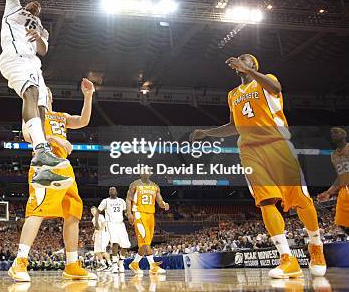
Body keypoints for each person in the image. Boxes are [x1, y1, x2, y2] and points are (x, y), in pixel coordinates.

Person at [190, 54, 326, 279]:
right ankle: (286, 258)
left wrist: (249, 70)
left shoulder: (266, 80)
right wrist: (207, 133)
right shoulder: (232, 94)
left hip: (277, 144)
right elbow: (234, 126)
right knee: (265, 201)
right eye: (239, 61)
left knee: (301, 200)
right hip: (249, 151)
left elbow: (276, 87)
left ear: (254, 66)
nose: (241, 62)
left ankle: (316, 246)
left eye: (246, 60)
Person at [8, 80, 96, 282]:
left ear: (50, 97)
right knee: (38, 211)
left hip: (64, 166)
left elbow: (83, 120)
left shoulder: (60, 116)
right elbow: (28, 135)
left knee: (73, 213)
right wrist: (55, 140)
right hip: (44, 165)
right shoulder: (32, 113)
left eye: (44, 92)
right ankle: (19, 262)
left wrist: (88, 96)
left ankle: (72, 265)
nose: (41, 94)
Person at [0, 0, 70, 188]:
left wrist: (40, 37)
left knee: (42, 111)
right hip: (13, 58)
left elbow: (44, 50)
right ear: (25, 4)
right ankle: (41, 150)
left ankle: (41, 166)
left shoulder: (40, 28)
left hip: (33, 64)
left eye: (39, 9)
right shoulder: (12, 10)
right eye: (33, 5)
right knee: (29, 93)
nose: (36, 7)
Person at [126, 172, 169, 275]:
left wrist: (164, 204)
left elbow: (160, 201)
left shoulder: (155, 186)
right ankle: (153, 266)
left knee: (146, 243)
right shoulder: (135, 184)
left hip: (150, 215)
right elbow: (128, 199)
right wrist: (129, 214)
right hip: (138, 213)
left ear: (150, 173)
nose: (146, 173)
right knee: (144, 240)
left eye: (148, 171)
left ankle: (135, 263)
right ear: (140, 173)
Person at [317, 127, 349, 230]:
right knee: (342, 223)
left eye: (336, 132)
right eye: (332, 133)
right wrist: (328, 192)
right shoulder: (333, 155)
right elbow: (340, 177)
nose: (334, 134)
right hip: (344, 190)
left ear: (344, 134)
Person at [98, 187, 131, 273]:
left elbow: (125, 212)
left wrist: (129, 216)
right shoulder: (105, 201)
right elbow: (98, 212)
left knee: (126, 245)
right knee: (115, 243)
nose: (112, 191)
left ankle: (121, 261)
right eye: (110, 190)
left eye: (114, 190)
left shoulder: (121, 201)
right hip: (111, 224)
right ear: (109, 192)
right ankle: (114, 264)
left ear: (116, 192)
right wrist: (97, 223)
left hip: (121, 224)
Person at [91, 206, 111, 271]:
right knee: (96, 251)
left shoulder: (100, 216)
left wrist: (100, 230)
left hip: (103, 234)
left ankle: (110, 264)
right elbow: (96, 228)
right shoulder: (93, 219)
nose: (93, 212)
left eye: (94, 210)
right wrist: (93, 235)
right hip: (97, 235)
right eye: (92, 211)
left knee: (102, 251)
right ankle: (103, 264)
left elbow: (104, 223)